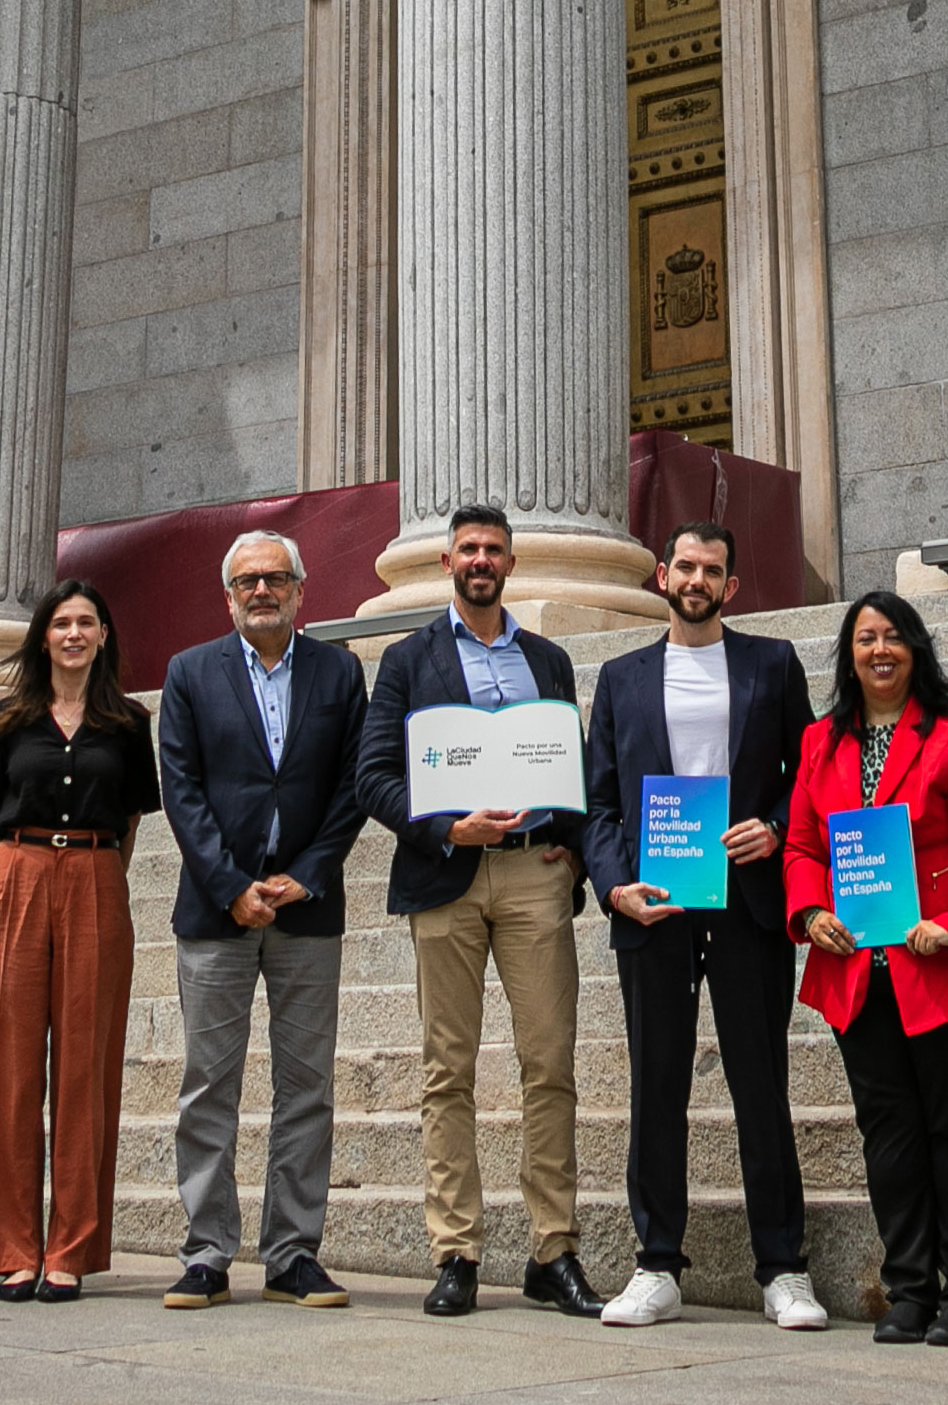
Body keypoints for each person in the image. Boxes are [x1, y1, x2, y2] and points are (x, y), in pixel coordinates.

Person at [351, 499, 597, 1319]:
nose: (480, 559)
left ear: (510, 564)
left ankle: (552, 1248)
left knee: (549, 1065)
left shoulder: (549, 659)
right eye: (467, 548)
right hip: (444, 874)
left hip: (532, 875)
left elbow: (575, 765)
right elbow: (373, 775)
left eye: (493, 547)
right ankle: (455, 1249)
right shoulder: (405, 661)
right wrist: (440, 825)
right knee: (445, 1072)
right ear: (448, 563)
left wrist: (570, 847)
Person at [581, 517, 825, 1329]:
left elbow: (809, 774)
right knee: (657, 1085)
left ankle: (783, 1267)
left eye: (711, 569)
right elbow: (601, 803)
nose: (695, 578)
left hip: (747, 897)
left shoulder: (771, 662)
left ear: (731, 586)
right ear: (661, 575)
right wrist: (614, 886)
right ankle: (656, 1263)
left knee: (761, 1084)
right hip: (656, 903)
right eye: (684, 565)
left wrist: (773, 824)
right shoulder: (619, 677)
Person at [782, 590, 948, 1347]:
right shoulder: (821, 740)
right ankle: (910, 1287)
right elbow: (801, 846)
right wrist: (811, 913)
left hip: (939, 962)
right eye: (863, 638)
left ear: (915, 647)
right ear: (848, 655)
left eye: (892, 637)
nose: (878, 649)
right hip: (858, 968)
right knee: (887, 1132)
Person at [154, 529, 369, 1311]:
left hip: (307, 911)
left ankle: (291, 1252)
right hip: (217, 915)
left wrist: (306, 876)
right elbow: (180, 788)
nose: (261, 590)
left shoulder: (339, 671)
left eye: (275, 578)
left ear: (301, 590)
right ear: (228, 596)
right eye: (246, 581)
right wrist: (231, 885)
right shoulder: (188, 673)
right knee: (208, 1083)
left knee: (306, 1085)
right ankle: (207, 1249)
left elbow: (353, 784)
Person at [0, 577, 158, 1300]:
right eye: (61, 622)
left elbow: (133, 818)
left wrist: (94, 877)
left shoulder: (129, 723)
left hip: (97, 877)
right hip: (17, 872)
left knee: (86, 1065)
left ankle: (70, 1246)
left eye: (87, 622)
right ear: (42, 635)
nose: (73, 633)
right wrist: (20, 882)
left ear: (104, 634)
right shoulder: (6, 721)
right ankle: (13, 1245)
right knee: (6, 1068)